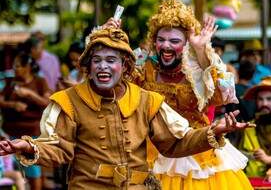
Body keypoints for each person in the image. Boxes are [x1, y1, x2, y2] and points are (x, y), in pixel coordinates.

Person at [0, 27, 252, 189]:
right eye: (96, 60)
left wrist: (213, 132)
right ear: (87, 65)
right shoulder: (69, 101)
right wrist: (29, 146)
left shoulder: (146, 100)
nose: (103, 67)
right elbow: (59, 148)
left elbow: (174, 143)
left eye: (111, 60)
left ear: (125, 66)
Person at [106, 0, 253, 190]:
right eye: (161, 40)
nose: (166, 46)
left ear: (186, 44)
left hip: (197, 150)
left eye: (174, 40)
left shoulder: (197, 71)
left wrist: (201, 51)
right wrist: (109, 40)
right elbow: (111, 85)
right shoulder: (144, 68)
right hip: (151, 152)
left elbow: (220, 96)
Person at [0, 52, 52, 190]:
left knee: (33, 168)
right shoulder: (10, 82)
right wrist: (13, 105)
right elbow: (1, 101)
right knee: (16, 169)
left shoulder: (40, 82)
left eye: (18, 66)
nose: (15, 69)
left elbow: (47, 103)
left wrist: (30, 94)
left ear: (28, 67)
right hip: (11, 131)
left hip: (31, 133)